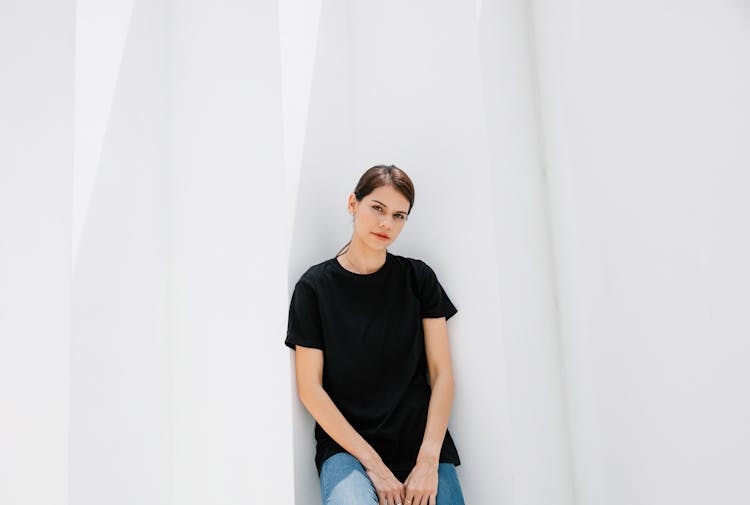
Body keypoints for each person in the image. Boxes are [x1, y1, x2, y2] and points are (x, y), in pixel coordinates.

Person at [285, 165, 466, 505]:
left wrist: (428, 460)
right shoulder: (314, 289)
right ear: (353, 204)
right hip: (347, 449)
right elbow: (310, 388)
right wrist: (373, 464)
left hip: (420, 443)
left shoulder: (419, 279)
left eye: (399, 216)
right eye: (377, 208)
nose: (387, 224)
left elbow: (442, 374)